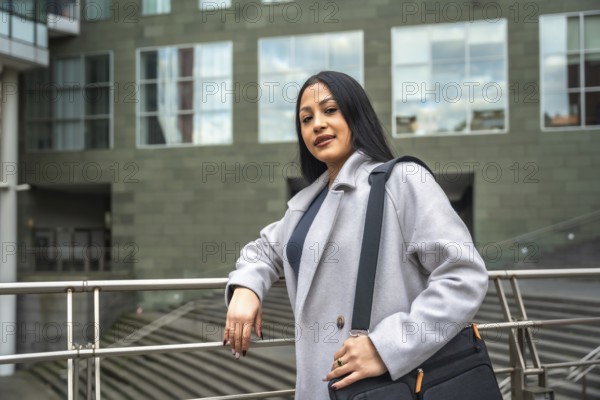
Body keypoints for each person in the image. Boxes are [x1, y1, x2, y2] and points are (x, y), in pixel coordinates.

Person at [223, 71, 488, 399]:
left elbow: (464, 277)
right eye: (306, 118)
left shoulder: (402, 181)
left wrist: (386, 347)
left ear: (356, 114)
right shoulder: (307, 205)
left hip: (384, 384)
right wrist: (246, 288)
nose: (317, 124)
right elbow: (264, 249)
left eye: (330, 110)